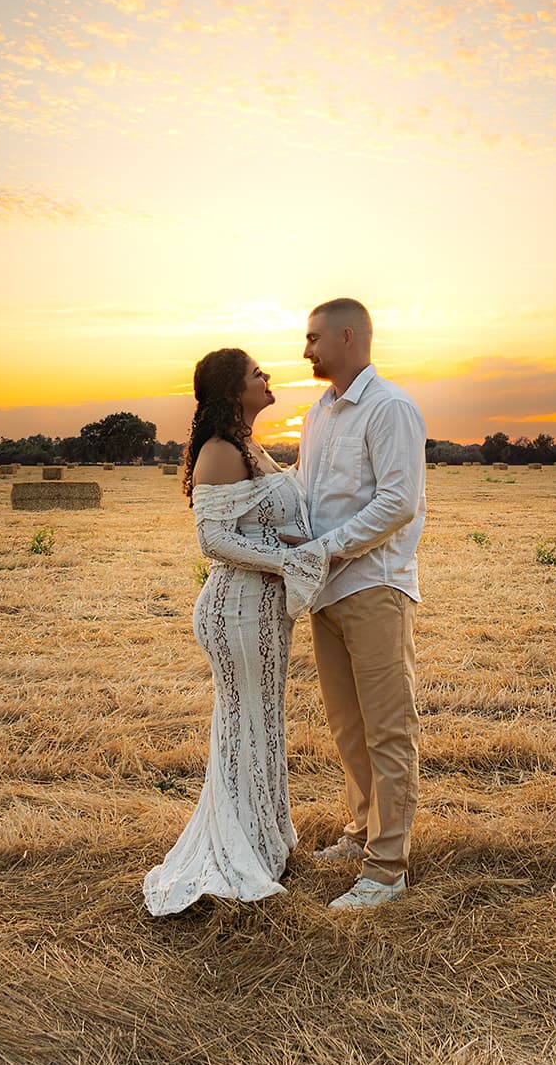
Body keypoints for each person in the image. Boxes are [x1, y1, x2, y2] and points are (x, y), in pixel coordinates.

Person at [143, 348, 330, 916]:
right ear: (231, 391)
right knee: (248, 720)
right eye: (256, 373)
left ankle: (267, 840)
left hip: (263, 609)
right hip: (237, 610)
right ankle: (239, 846)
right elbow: (214, 542)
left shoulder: (251, 446)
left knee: (262, 719)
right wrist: (289, 559)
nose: (268, 377)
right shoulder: (221, 452)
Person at [291, 298, 427, 910]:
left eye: (315, 337)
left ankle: (386, 868)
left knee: (387, 729)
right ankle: (361, 829)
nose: (307, 349)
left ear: (349, 337)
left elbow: (399, 500)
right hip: (326, 589)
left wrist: (330, 548)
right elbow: (307, 494)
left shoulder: (390, 407)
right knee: (347, 728)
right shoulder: (316, 414)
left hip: (374, 584)